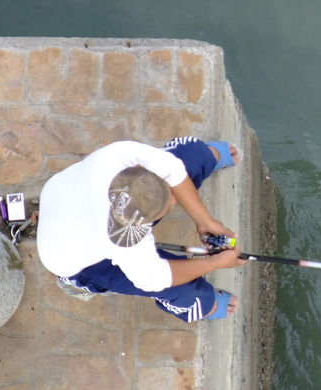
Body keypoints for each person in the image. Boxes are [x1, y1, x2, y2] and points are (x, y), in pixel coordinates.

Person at [37, 137, 247, 321]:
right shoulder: (122, 242)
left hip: (63, 201)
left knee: (193, 154)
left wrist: (205, 221)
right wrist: (215, 263)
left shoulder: (117, 156)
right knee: (186, 293)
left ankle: (205, 156)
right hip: (69, 261)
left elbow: (173, 170)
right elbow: (155, 279)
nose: (175, 201)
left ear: (138, 170)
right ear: (139, 226)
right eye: (169, 204)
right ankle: (203, 304)